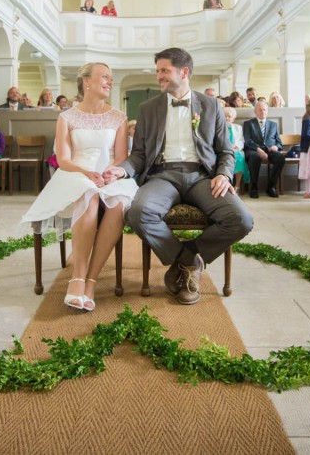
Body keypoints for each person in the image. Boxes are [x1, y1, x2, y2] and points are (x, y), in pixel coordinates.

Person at [103, 47, 252, 306]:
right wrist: (123, 169)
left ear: (184, 72)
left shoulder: (211, 106)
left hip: (203, 177)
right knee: (138, 213)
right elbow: (138, 154)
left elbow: (225, 151)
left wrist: (224, 175)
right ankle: (190, 264)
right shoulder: (148, 108)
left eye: (164, 70)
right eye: (158, 70)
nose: (158, 76)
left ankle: (185, 260)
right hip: (162, 176)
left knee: (241, 219)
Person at [20, 63, 137, 311]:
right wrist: (87, 173)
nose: (109, 81)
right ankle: (77, 278)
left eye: (111, 77)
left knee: (119, 205)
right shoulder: (66, 117)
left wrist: (110, 173)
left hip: (109, 175)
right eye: (104, 76)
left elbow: (120, 156)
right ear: (86, 81)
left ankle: (91, 282)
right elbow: (63, 159)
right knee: (88, 193)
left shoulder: (118, 117)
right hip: (75, 173)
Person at [242, 100, 285, 199]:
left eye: (265, 110)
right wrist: (258, 149)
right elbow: (247, 141)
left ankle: (271, 187)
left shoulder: (273, 125)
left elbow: (279, 142)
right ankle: (254, 187)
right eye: (260, 110)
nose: (263, 112)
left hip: (270, 151)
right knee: (254, 157)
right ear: (255, 112)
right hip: (254, 150)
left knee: (280, 158)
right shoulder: (248, 124)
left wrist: (276, 147)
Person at [223, 106, 250, 190]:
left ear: (233, 118)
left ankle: (237, 186)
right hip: (223, 150)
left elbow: (241, 140)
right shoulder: (219, 127)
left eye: (229, 116)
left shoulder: (238, 128)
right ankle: (225, 185)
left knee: (240, 157)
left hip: (236, 149)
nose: (227, 118)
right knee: (222, 159)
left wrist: (236, 146)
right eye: (225, 116)